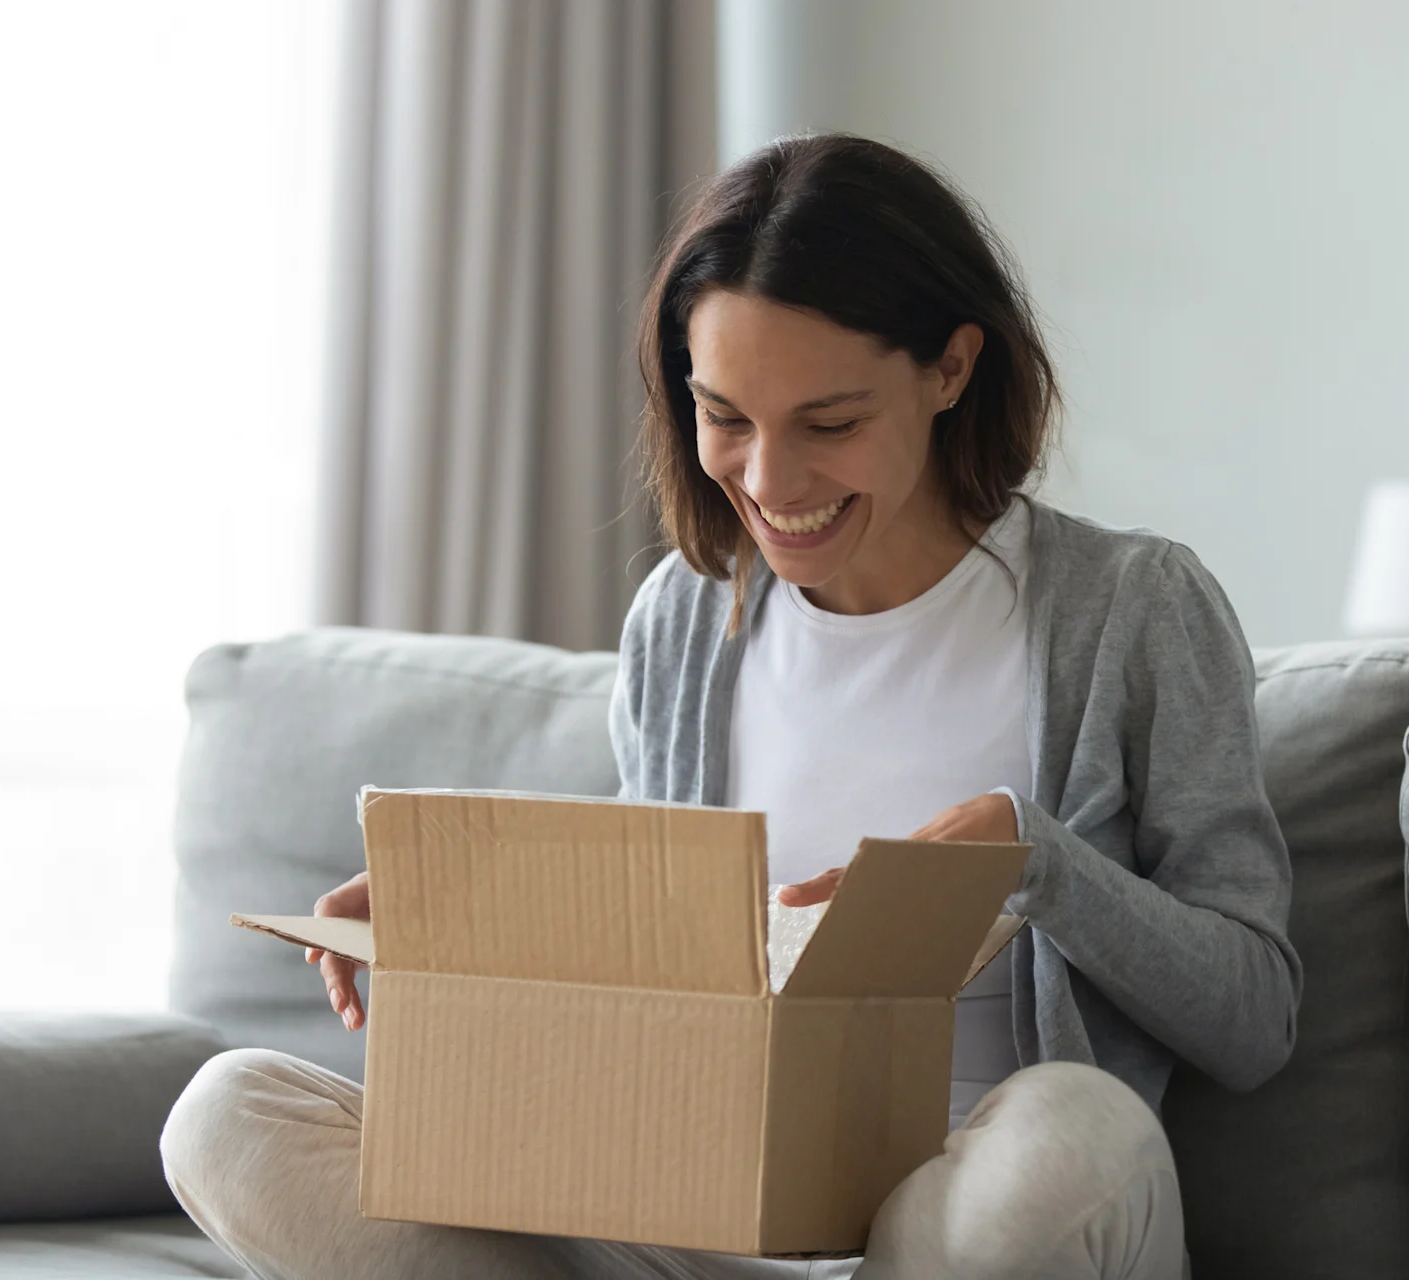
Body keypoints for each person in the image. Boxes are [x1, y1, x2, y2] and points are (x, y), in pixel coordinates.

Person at [161, 133, 1301, 1280]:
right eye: (726, 417)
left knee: (1075, 1128)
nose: (768, 482)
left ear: (951, 368)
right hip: (698, 1214)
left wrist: (1033, 858)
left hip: (966, 1223)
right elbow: (659, 959)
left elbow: (1254, 1018)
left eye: (830, 422)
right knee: (230, 1109)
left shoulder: (1130, 607)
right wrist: (462, 913)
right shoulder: (683, 619)